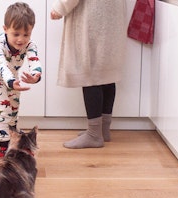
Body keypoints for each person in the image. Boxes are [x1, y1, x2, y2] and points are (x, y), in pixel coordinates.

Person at [50, 0, 127, 149]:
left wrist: (60, 7)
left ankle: (94, 134)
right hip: (112, 17)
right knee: (106, 74)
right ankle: (102, 130)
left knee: (90, 75)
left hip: (94, 19)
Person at [0, 2, 42, 157]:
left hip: (12, 78)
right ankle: (4, 145)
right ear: (5, 29)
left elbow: (34, 61)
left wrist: (35, 76)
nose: (21, 40)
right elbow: (1, 65)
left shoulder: (30, 45)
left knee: (14, 108)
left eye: (26, 34)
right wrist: (10, 81)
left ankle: (13, 136)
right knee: (4, 111)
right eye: (16, 34)